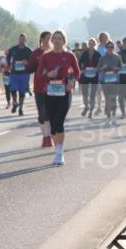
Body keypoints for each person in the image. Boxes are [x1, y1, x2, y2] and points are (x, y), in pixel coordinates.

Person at [40, 31, 80, 166]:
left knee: (58, 121)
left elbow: (77, 72)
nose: (57, 41)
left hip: (64, 91)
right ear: (51, 40)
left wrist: (71, 82)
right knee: (52, 123)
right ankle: (57, 150)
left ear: (64, 40)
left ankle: (60, 153)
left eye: (60, 38)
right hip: (50, 91)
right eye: (55, 38)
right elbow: (40, 73)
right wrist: (48, 74)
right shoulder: (46, 56)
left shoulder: (69, 55)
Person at [28, 31, 53, 147]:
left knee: (51, 113)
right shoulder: (36, 53)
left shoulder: (54, 53)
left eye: (51, 38)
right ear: (42, 39)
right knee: (42, 114)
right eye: (48, 38)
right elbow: (30, 68)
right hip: (39, 87)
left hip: (53, 87)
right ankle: (45, 136)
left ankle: (49, 136)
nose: (50, 40)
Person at [6, 34, 32, 115]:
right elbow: (8, 57)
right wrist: (9, 65)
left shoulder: (28, 50)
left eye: (23, 39)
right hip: (14, 73)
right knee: (13, 90)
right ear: (18, 40)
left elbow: (32, 61)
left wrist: (27, 62)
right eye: (20, 39)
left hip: (24, 74)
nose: (21, 41)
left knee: (22, 92)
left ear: (25, 40)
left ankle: (20, 108)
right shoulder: (13, 49)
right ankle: (14, 102)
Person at [99, 40, 122, 126]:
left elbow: (121, 68)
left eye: (112, 47)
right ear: (106, 48)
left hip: (115, 81)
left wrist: (117, 68)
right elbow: (98, 69)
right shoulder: (102, 58)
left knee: (113, 98)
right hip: (105, 81)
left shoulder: (118, 57)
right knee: (107, 99)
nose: (110, 49)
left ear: (113, 48)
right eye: (108, 47)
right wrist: (103, 68)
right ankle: (108, 117)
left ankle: (114, 116)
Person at [78, 38, 101, 118]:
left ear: (95, 44)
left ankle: (91, 111)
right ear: (88, 45)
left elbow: (100, 64)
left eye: (92, 43)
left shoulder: (98, 54)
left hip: (94, 75)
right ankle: (86, 106)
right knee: (85, 93)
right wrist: (82, 69)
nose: (91, 45)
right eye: (90, 43)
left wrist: (97, 68)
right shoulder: (84, 53)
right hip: (85, 75)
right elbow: (79, 63)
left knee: (93, 94)